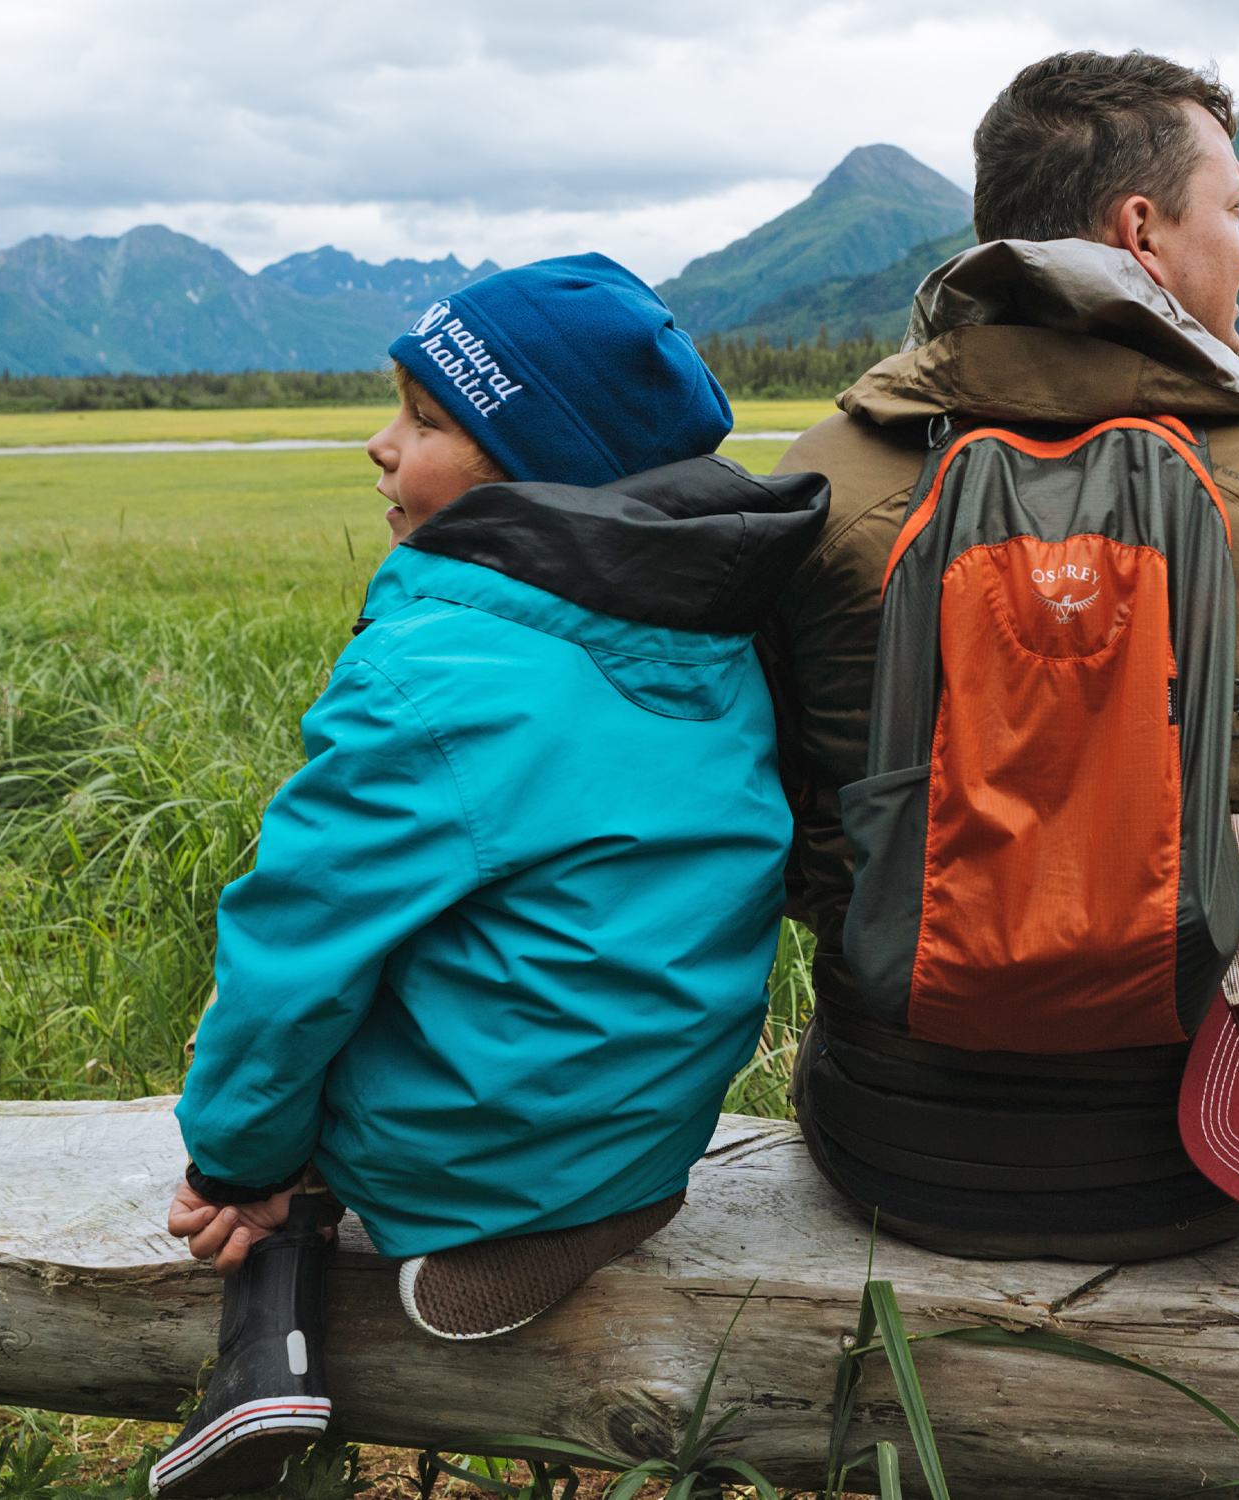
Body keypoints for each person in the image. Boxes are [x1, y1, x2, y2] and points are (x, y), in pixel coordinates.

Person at [151, 256, 828, 1496]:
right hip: (645, 1133)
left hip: (469, 1164)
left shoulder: (449, 666)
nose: (379, 444)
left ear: (535, 474)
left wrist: (235, 1162)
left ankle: (306, 1254)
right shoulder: (710, 616)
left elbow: (299, 943)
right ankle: (589, 1199)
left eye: (424, 418)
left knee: (305, 1021)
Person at [773, 50, 1239, 1261]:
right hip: (1211, 1155)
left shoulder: (819, 477)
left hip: (891, 1146)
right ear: (1142, 229)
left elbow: (780, 822)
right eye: (1235, 209)